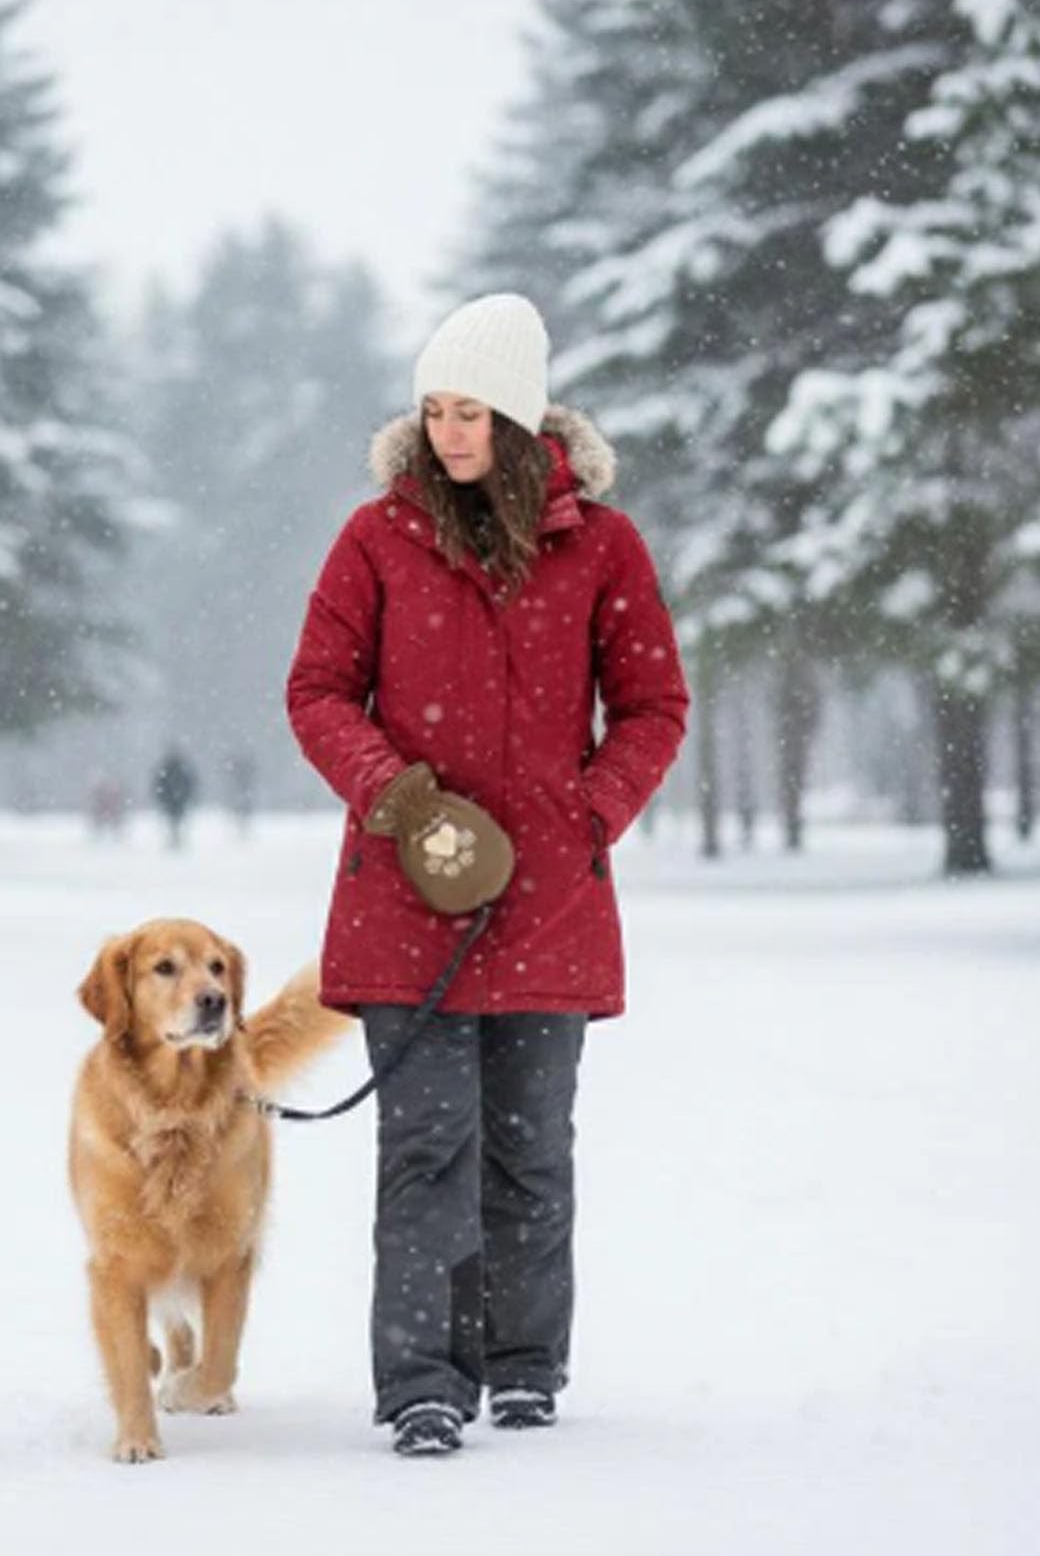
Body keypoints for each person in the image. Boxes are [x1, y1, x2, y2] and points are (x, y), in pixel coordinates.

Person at [286, 293, 689, 1457]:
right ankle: (420, 1378)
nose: (447, 432)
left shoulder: (602, 546)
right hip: (405, 894)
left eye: (469, 411)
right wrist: (399, 796)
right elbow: (316, 691)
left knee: (529, 1146)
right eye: (432, 410)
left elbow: (654, 704)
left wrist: (589, 811)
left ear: (518, 420)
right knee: (426, 1145)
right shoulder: (375, 537)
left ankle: (522, 1365)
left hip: (551, 899)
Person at [150, 744, 198, 850]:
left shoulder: (167, 768)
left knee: (174, 820)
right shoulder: (181, 768)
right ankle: (176, 838)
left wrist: (161, 796)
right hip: (176, 799)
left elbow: (159, 784)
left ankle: (175, 838)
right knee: (176, 820)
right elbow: (190, 783)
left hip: (173, 800)